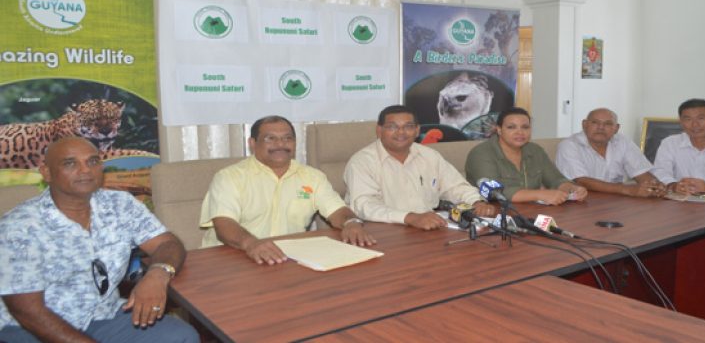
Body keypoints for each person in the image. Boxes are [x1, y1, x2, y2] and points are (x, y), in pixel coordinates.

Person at [0, 136, 198, 343]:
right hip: (31, 328)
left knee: (181, 336)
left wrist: (157, 274)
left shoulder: (120, 204)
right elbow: (28, 313)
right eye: (70, 163)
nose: (85, 170)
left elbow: (167, 244)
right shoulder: (18, 227)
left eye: (92, 162)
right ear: (47, 172)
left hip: (103, 315)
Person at [200, 115, 375, 265]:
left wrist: (351, 223)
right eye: (270, 138)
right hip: (231, 258)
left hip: (286, 258)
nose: (280, 144)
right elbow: (224, 225)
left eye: (287, 138)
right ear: (253, 143)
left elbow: (338, 211)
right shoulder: (229, 177)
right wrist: (251, 244)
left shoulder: (312, 177)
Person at [344, 105, 496, 231]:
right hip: (383, 232)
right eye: (392, 127)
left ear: (417, 131)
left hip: (428, 228)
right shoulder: (362, 162)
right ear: (379, 130)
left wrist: (476, 202)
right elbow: (364, 206)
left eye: (408, 127)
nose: (401, 132)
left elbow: (455, 186)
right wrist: (410, 217)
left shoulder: (429, 156)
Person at [465, 107, 588, 205]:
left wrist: (572, 188)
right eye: (511, 127)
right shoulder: (481, 153)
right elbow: (495, 192)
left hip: (531, 212)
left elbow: (555, 179)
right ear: (499, 130)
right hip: (492, 214)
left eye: (525, 127)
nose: (520, 132)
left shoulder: (535, 151)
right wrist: (540, 195)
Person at [556, 108, 666, 198]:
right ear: (584, 124)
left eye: (608, 124)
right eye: (595, 122)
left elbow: (641, 172)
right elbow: (582, 181)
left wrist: (654, 186)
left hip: (615, 201)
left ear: (616, 128)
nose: (601, 127)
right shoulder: (569, 145)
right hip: (580, 201)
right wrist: (628, 190)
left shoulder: (622, 142)